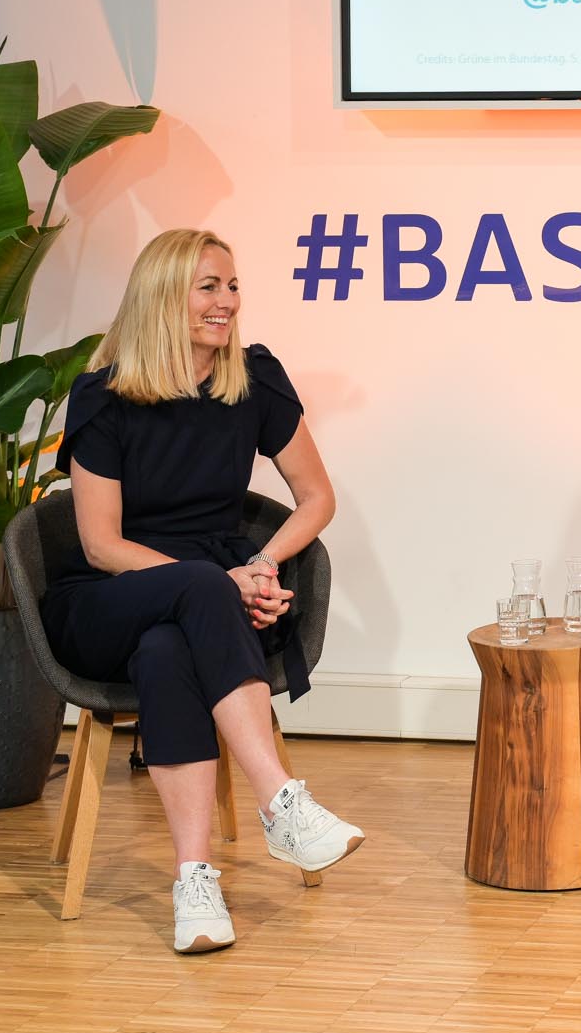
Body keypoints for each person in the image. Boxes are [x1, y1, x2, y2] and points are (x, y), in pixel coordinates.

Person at [43, 228, 364, 955]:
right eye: (208, 286)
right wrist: (225, 581)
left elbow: (315, 497)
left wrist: (262, 564)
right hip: (106, 597)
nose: (227, 301)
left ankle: (195, 882)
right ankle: (282, 802)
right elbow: (100, 543)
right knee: (187, 594)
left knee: (168, 652)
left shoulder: (253, 379)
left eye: (232, 284)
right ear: (163, 295)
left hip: (208, 598)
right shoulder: (103, 396)